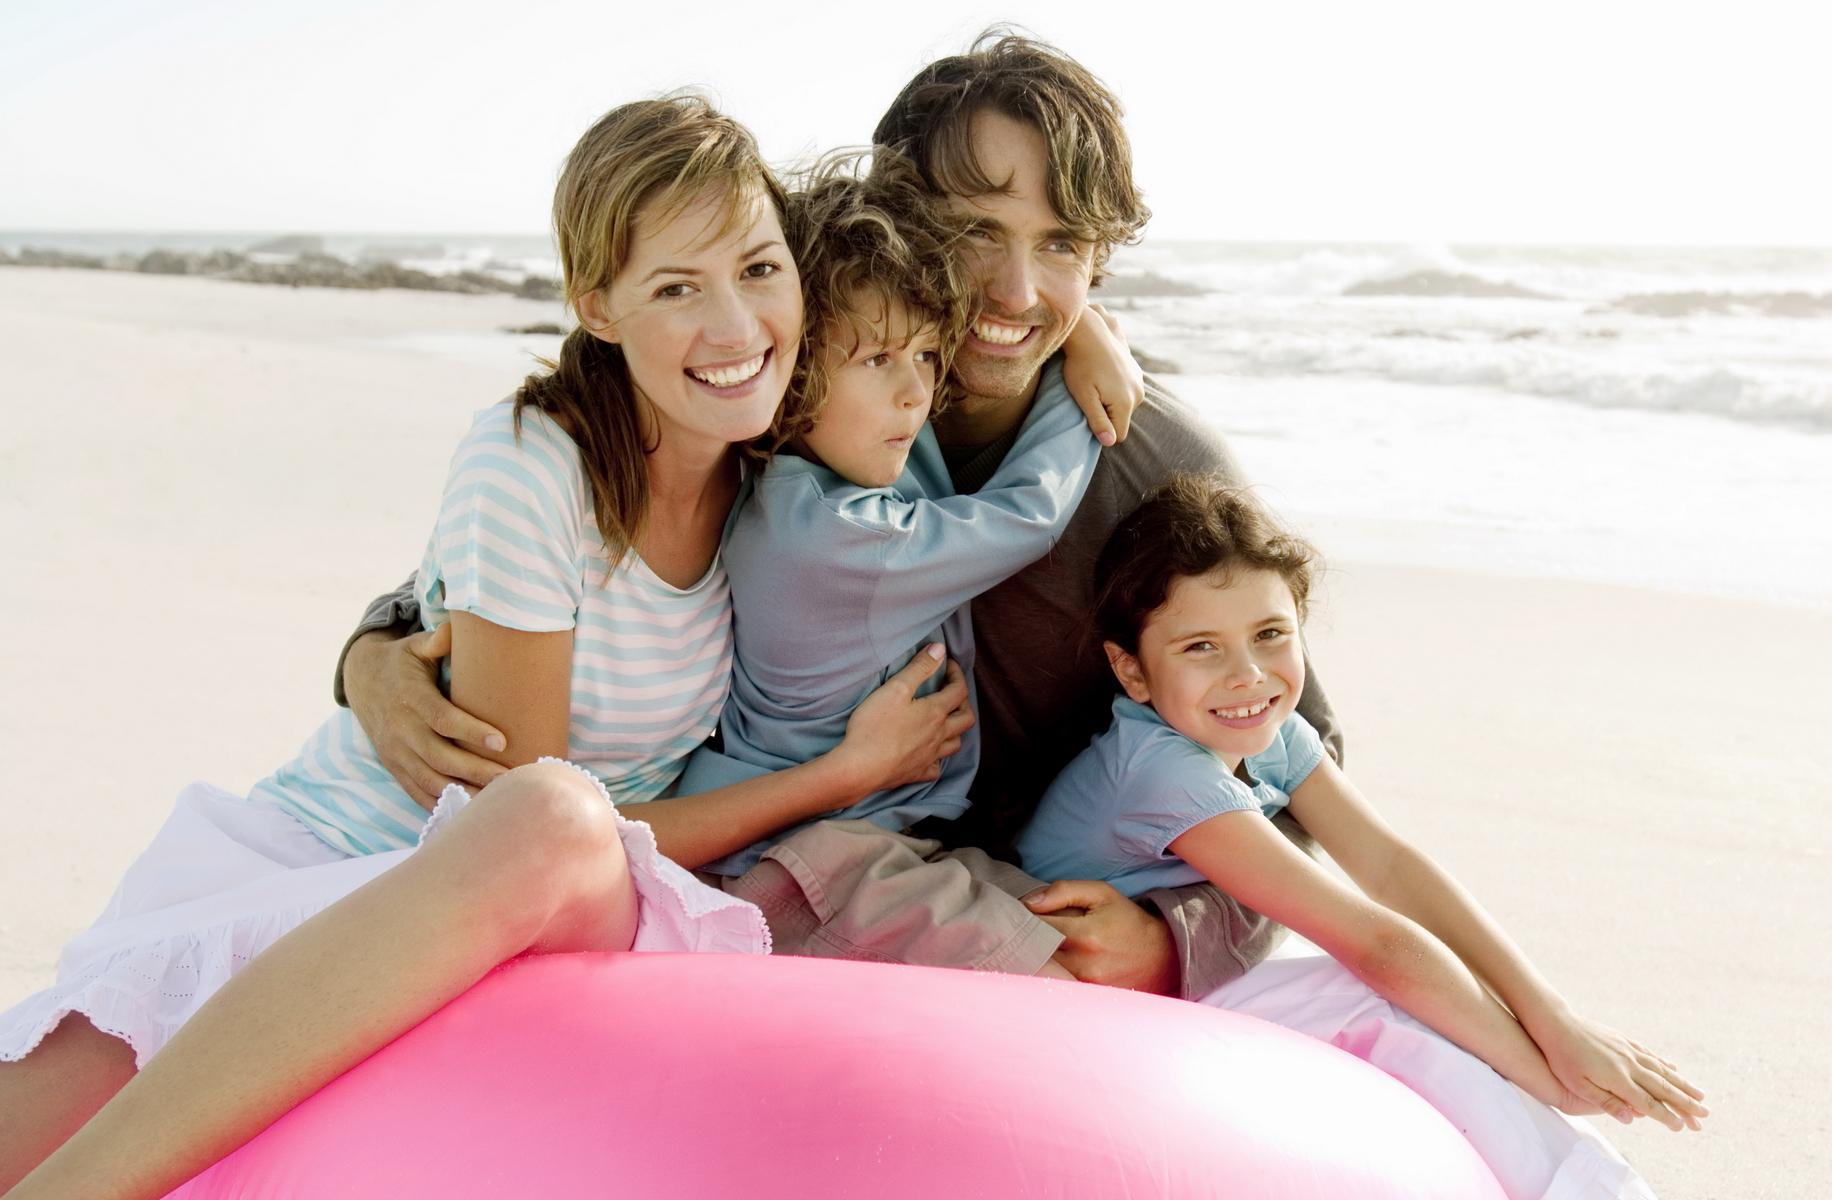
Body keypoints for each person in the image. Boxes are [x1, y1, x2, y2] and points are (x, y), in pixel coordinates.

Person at [0, 97, 966, 1199]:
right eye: (675, 288)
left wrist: (1082, 336)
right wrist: (839, 775)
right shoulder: (533, 464)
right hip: (332, 849)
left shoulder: (772, 471)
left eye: (757, 269)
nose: (737, 325)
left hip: (551, 896)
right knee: (549, 810)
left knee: (554, 820)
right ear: (596, 306)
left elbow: (933, 292)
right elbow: (512, 814)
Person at [342, 30, 1342, 1003]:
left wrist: (1176, 937)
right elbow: (526, 561)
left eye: (1062, 246)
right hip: (814, 868)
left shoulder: (1160, 470)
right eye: (977, 232)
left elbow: (1301, 760)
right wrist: (374, 657)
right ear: (904, 227)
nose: (1016, 289)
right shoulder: (805, 397)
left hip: (1006, 892)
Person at [1018, 474, 1708, 1199]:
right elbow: (1375, 941)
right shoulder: (1160, 770)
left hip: (1205, 976)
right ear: (1131, 670)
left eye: (1270, 634)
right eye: (1201, 647)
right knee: (1397, 1013)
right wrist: (1546, 1072)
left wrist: (1555, 1022)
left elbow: (1390, 867)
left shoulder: (1271, 731)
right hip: (1110, 1014)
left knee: (1440, 1014)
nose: (1247, 675)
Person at [673, 151, 1109, 975]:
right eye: (879, 360)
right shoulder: (833, 538)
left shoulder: (825, 457)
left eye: (929, 355)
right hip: (803, 861)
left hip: (874, 839)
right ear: (793, 367)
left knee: (1082, 931)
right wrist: (1087, 370)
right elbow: (1030, 514)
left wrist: (1075, 322)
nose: (917, 394)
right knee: (1064, 983)